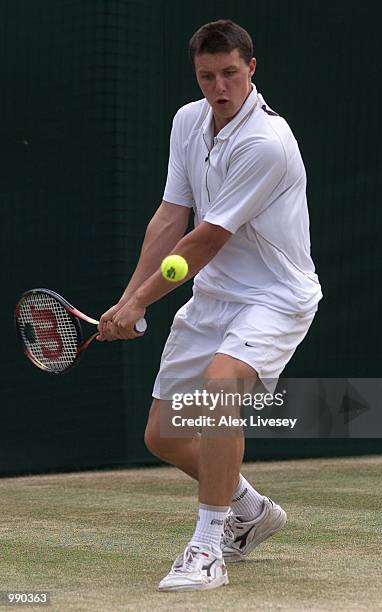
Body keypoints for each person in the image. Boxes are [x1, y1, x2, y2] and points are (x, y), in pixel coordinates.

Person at [97, 19, 322, 592]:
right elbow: (171, 218)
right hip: (215, 295)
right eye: (207, 76)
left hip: (275, 295)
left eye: (229, 73)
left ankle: (208, 549)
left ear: (251, 69)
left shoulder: (266, 143)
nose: (218, 86)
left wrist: (142, 302)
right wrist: (127, 301)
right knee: (164, 434)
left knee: (220, 390)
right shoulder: (187, 121)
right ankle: (249, 511)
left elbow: (202, 241)